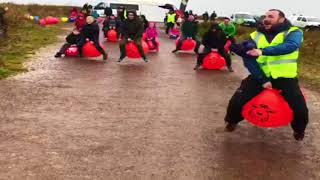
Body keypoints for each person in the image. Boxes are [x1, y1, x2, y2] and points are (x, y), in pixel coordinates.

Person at [224, 9, 308, 141]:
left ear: (281, 19)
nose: (266, 19)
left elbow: (290, 46)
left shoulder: (294, 32)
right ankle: (231, 121)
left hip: (285, 77)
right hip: (260, 76)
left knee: (299, 109)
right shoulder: (256, 35)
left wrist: (262, 51)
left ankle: (299, 131)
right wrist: (262, 78)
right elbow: (249, 59)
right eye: (266, 16)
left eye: (271, 16)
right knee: (237, 101)